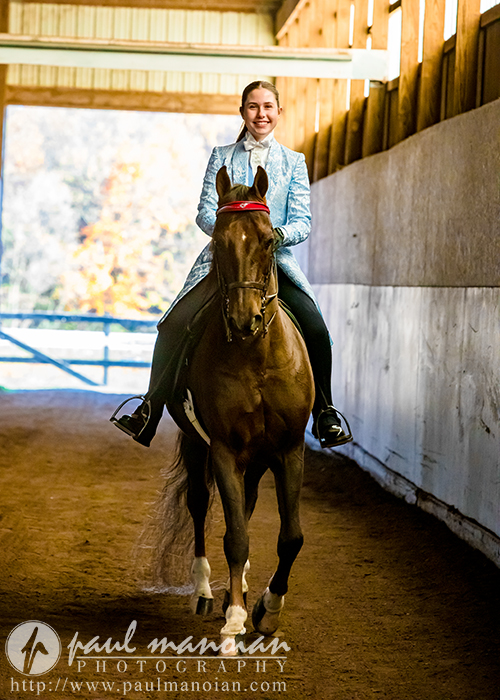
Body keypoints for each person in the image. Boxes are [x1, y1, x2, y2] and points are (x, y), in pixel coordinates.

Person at [111, 80, 351, 449]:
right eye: (253, 107)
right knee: (173, 324)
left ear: (278, 113)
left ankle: (325, 412)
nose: (261, 114)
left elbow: (303, 220)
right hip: (223, 262)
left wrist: (272, 237)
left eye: (268, 107)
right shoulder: (221, 155)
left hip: (272, 261)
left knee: (316, 329)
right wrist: (229, 230)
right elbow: (205, 211)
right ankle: (149, 409)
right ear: (243, 113)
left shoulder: (294, 162)